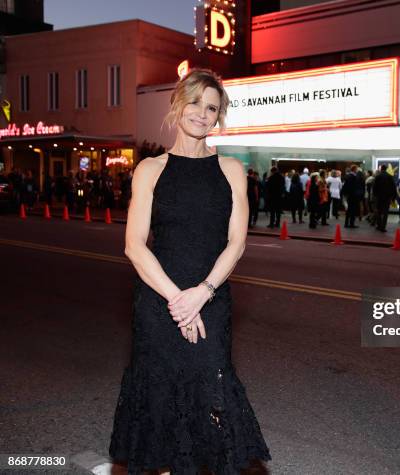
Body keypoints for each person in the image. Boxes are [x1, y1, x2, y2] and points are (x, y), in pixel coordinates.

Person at [108, 68, 271, 475]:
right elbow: (134, 246)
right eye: (195, 102)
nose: (202, 113)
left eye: (212, 107)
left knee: (211, 397)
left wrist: (203, 292)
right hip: (159, 305)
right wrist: (178, 300)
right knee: (161, 402)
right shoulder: (149, 170)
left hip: (211, 301)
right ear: (178, 104)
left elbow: (237, 242)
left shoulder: (231, 170)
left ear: (219, 116)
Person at [373, 164, 396, 232]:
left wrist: (375, 195)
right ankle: (383, 227)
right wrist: (393, 197)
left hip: (379, 197)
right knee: (385, 212)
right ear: (386, 169)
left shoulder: (378, 177)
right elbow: (393, 187)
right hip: (387, 197)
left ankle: (379, 225)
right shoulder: (390, 176)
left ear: (381, 169)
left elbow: (375, 187)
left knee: (379, 211)